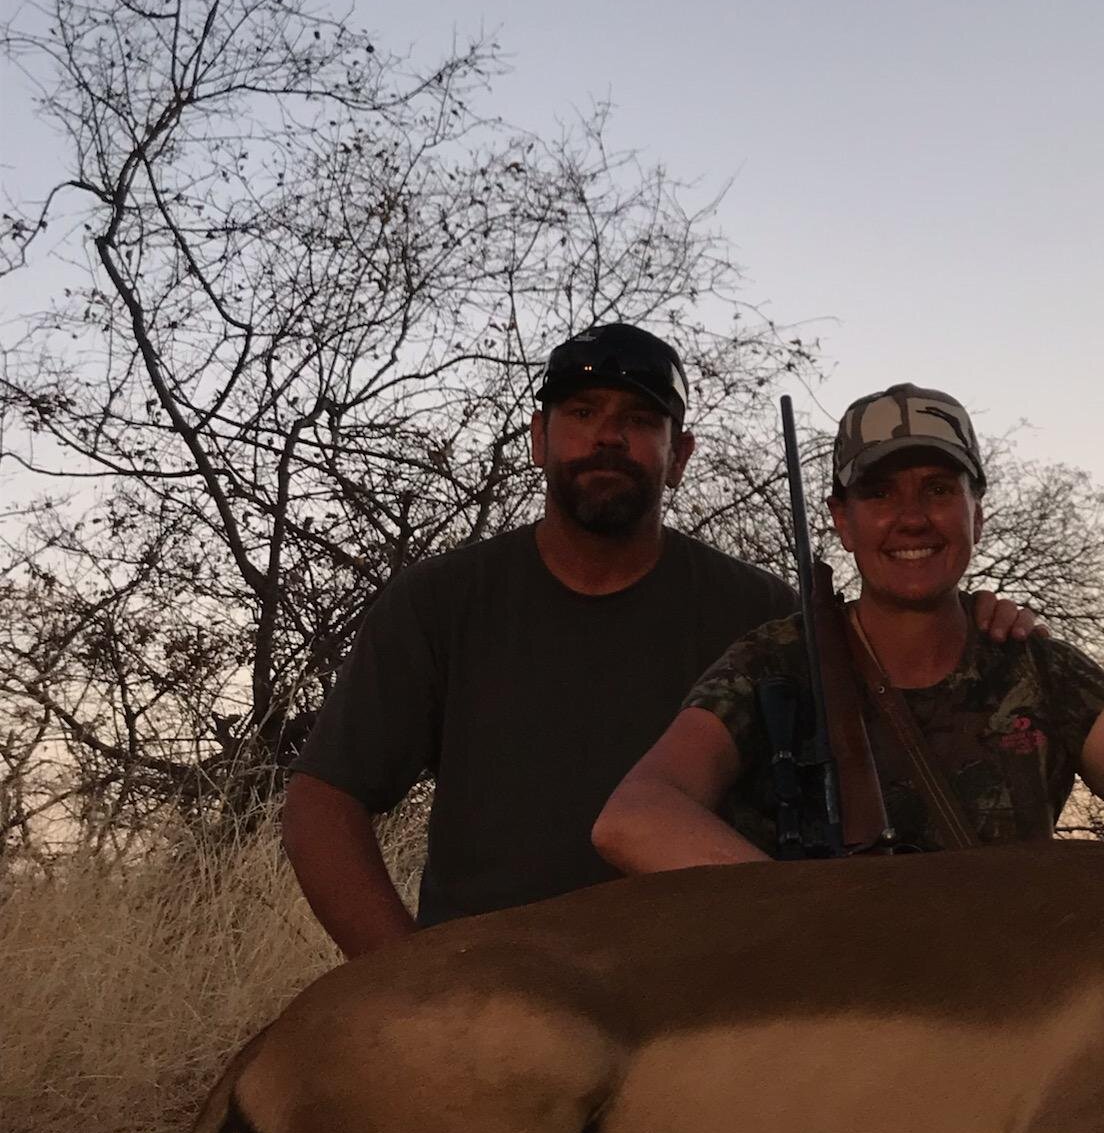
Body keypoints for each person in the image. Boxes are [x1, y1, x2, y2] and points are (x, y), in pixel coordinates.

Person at [285, 330, 1041, 956]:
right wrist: (410, 976)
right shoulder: (438, 602)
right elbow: (324, 800)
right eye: (582, 411)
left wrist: (963, 618)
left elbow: (884, 710)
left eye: (642, 420)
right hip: (497, 989)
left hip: (703, 999)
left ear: (678, 455)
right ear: (539, 440)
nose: (609, 435)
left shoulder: (765, 614)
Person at [594, 383, 1104, 910]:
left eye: (937, 489)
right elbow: (635, 815)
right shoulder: (775, 663)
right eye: (881, 493)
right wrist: (815, 915)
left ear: (977, 513)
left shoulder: (1038, 667)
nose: (912, 518)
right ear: (842, 521)